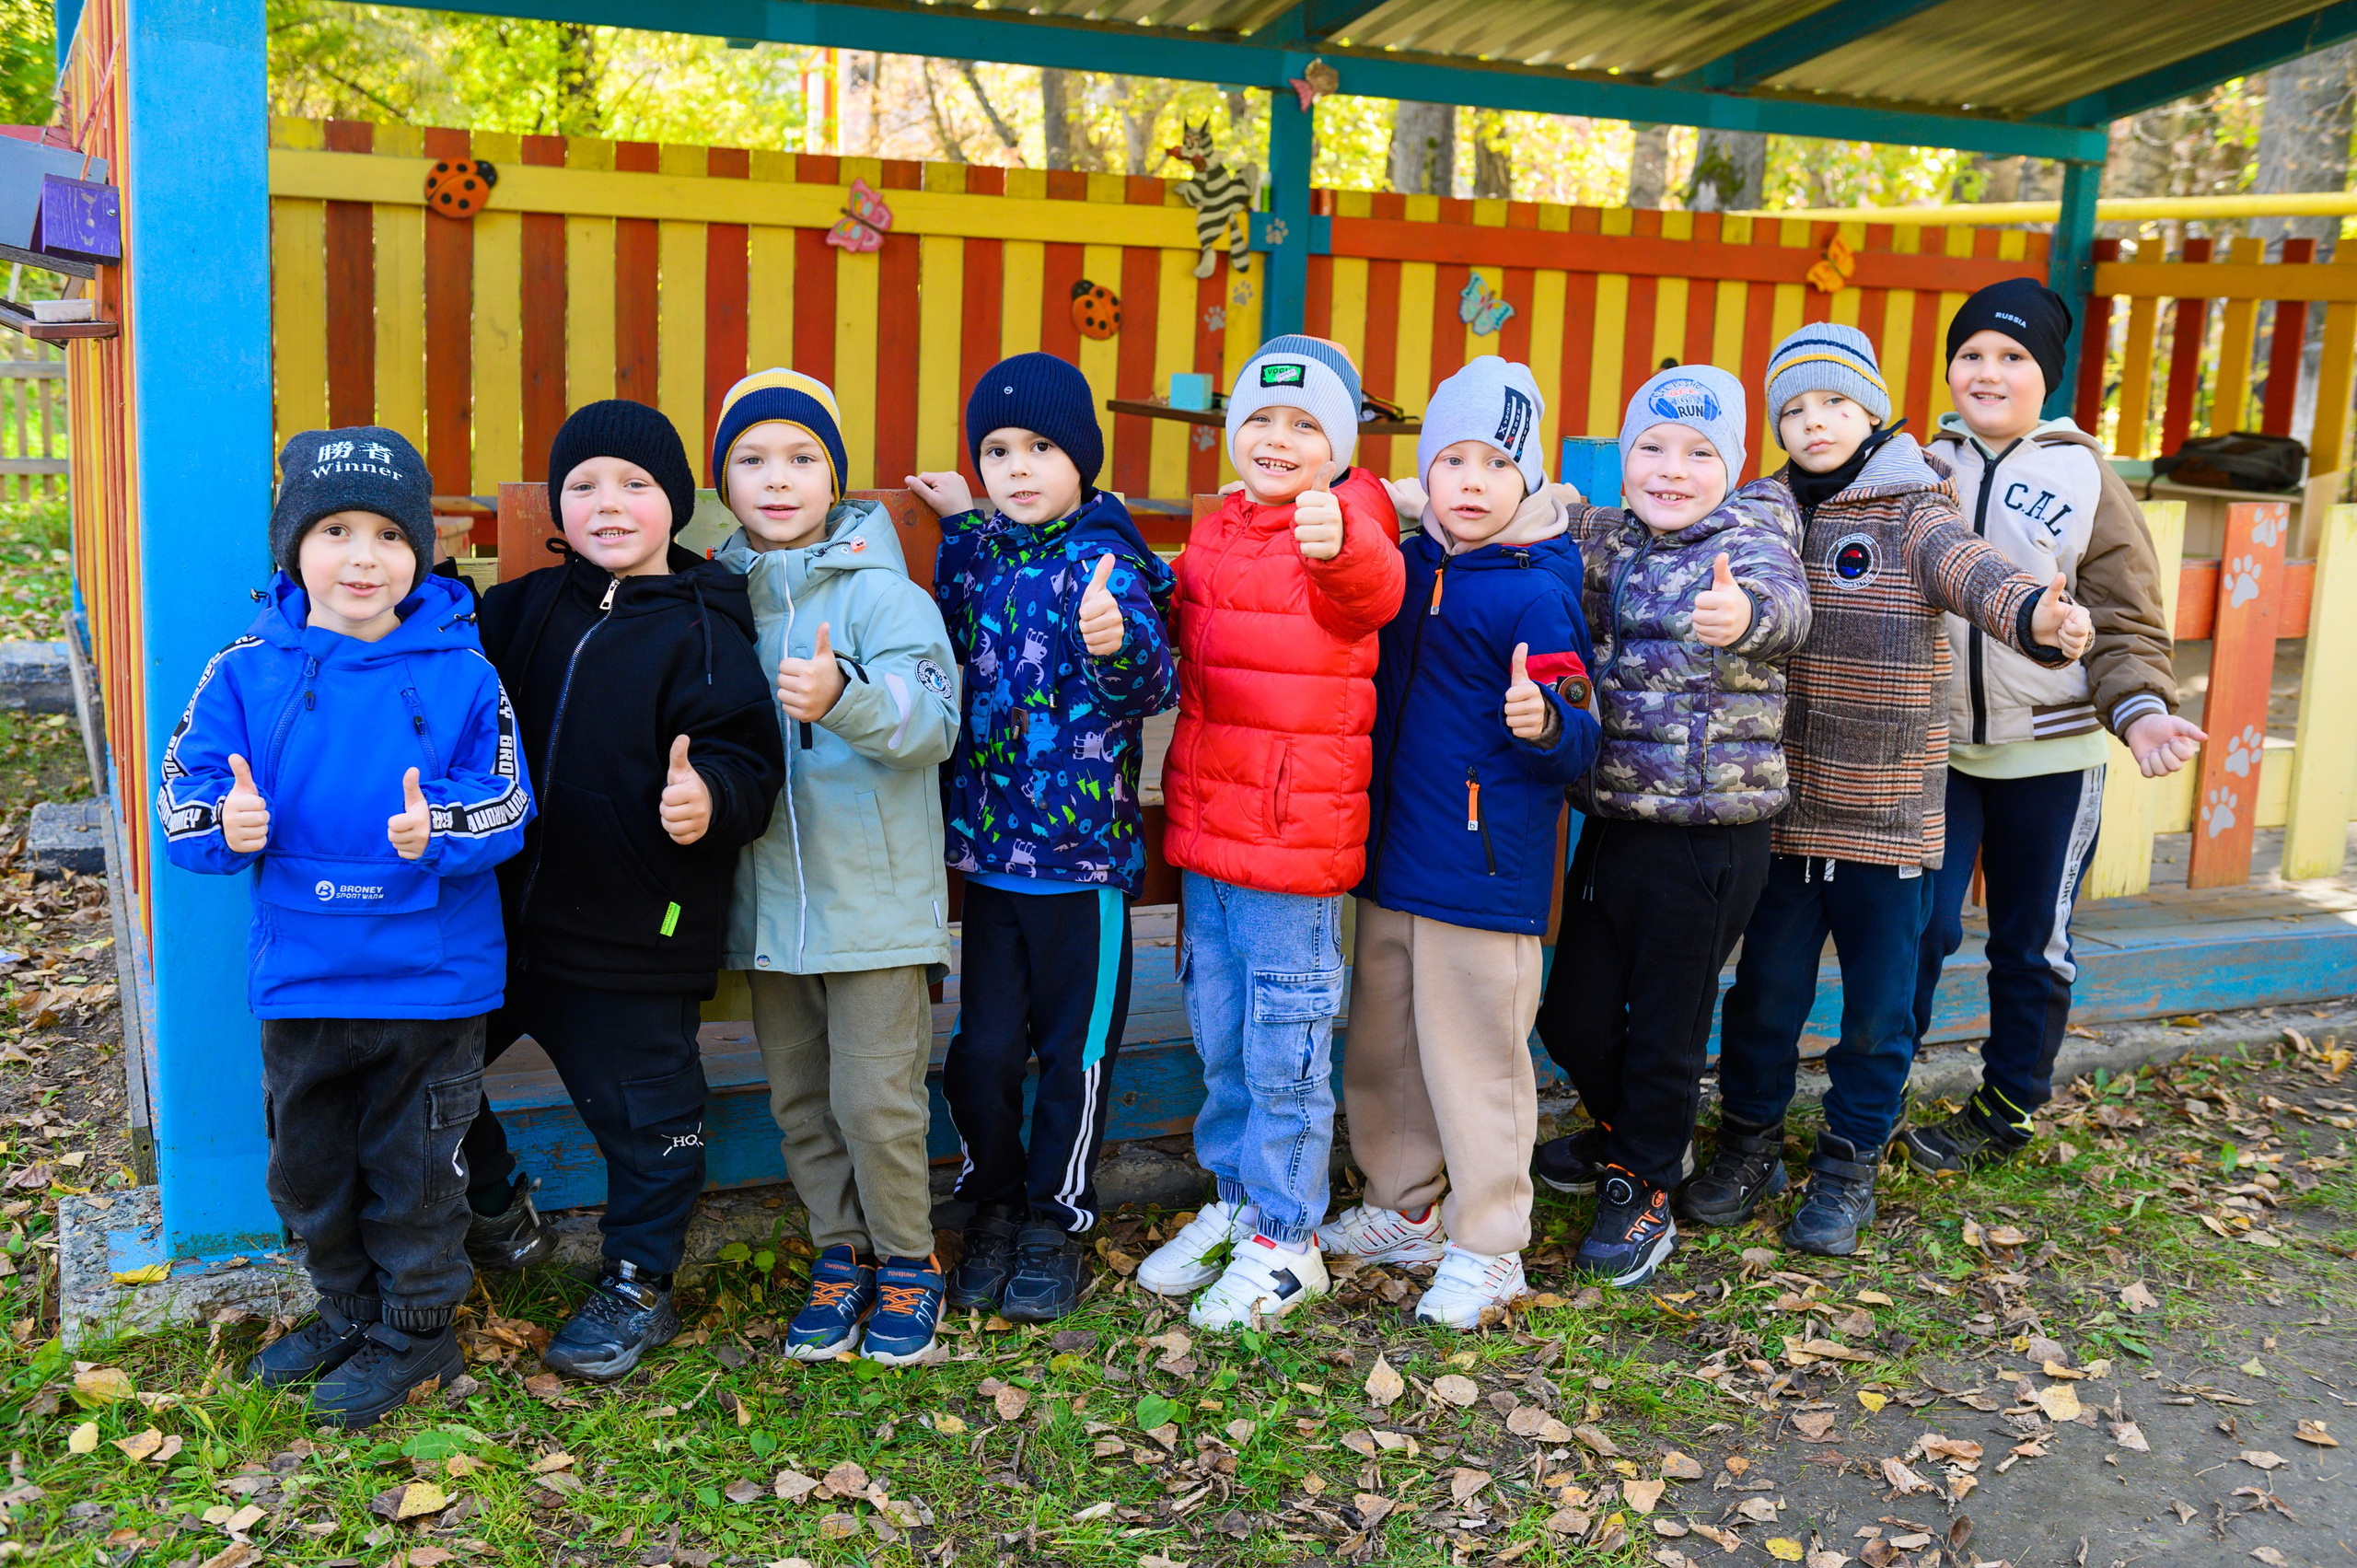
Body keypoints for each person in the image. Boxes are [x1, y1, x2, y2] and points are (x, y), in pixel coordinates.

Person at [1688, 325, 2095, 1257]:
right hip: (1784, 813)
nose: (1813, 421)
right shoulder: (1761, 510)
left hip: (1889, 818)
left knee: (1877, 1010)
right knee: (1763, 995)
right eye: (1792, 407)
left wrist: (2039, 614)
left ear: (1871, 408)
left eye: (1833, 402)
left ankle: (1848, 1160)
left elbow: (1977, 574)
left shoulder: (1915, 507)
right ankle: (1748, 1143)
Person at [157, 426, 532, 1423]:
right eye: (335, 531)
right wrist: (223, 824)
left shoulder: (464, 672)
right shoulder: (242, 670)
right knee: (309, 1161)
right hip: (304, 969)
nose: (363, 556)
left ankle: (416, 1334)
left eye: (388, 535)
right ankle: (349, 1308)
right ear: (293, 547)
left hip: (430, 977)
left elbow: (506, 798)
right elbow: (182, 792)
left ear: (420, 552)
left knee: (415, 1169)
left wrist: (438, 825)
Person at [459, 400, 787, 1379]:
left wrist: (708, 796)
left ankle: (639, 1276)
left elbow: (748, 759)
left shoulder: (705, 630)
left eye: (636, 485)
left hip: (636, 932)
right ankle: (488, 1197)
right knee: (419, 1063)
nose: (609, 503)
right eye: (585, 484)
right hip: (505, 925)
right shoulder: (517, 610)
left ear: (674, 503)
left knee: (650, 1121)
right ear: (559, 503)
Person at [1317, 357, 1601, 1326]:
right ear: (1424, 473)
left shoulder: (1536, 589)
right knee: (1386, 1043)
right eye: (1452, 460)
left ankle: (1490, 1243)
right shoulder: (1406, 562)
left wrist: (1547, 720)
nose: (1471, 482)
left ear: (1528, 481)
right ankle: (1403, 1205)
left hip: (1484, 873)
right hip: (1394, 856)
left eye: (1495, 463)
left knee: (1475, 1058)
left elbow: (1579, 721)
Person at [1135, 334, 1406, 1330]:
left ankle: (1289, 1238)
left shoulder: (1346, 517)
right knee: (1219, 1030)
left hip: (1291, 840)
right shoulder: (1218, 531)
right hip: (1210, 824)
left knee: (1282, 1039)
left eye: (1305, 425)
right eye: (1260, 418)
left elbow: (1371, 586)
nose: (1279, 439)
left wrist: (1340, 538)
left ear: (1338, 445)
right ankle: (1238, 1197)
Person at [911, 353, 1178, 1322]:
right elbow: (949, 626)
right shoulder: (982, 550)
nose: (1018, 466)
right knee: (980, 1052)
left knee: (1074, 1053)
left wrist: (1117, 641)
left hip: (1083, 872)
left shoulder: (1110, 554)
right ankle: (992, 1197)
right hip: (990, 860)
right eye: (997, 449)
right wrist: (950, 521)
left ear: (1083, 460)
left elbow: (1152, 682)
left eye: (1042, 447)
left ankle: (1054, 1217)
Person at [1528, 366, 1810, 1286]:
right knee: (1571, 1013)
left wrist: (1742, 615)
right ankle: (1632, 1134)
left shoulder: (1754, 534)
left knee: (1664, 1021)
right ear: (1625, 454)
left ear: (1729, 464)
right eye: (1651, 446)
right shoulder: (1606, 535)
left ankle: (1643, 1180)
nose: (1671, 469)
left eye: (1698, 452)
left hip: (1708, 831)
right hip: (1613, 818)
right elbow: (1504, 505)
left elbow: (1783, 608)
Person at [1908, 281, 2192, 1171]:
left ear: (2049, 376)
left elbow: (2127, 614)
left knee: (2033, 940)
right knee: (1918, 927)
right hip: (1938, 752)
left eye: (2013, 356)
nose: (1988, 371)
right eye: (1972, 354)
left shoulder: (2083, 474)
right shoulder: (1918, 468)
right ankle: (1876, 1090)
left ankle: (2006, 1105)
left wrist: (2140, 710)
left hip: (2054, 754)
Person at [710, 369, 962, 1364]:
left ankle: (908, 1261)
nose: (778, 480)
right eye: (752, 460)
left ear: (835, 476)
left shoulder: (883, 594)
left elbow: (931, 720)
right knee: (801, 1098)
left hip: (874, 904)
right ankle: (838, 1252)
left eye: (801, 458)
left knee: (876, 1099)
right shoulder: (716, 598)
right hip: (770, 906)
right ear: (722, 482)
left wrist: (845, 692)